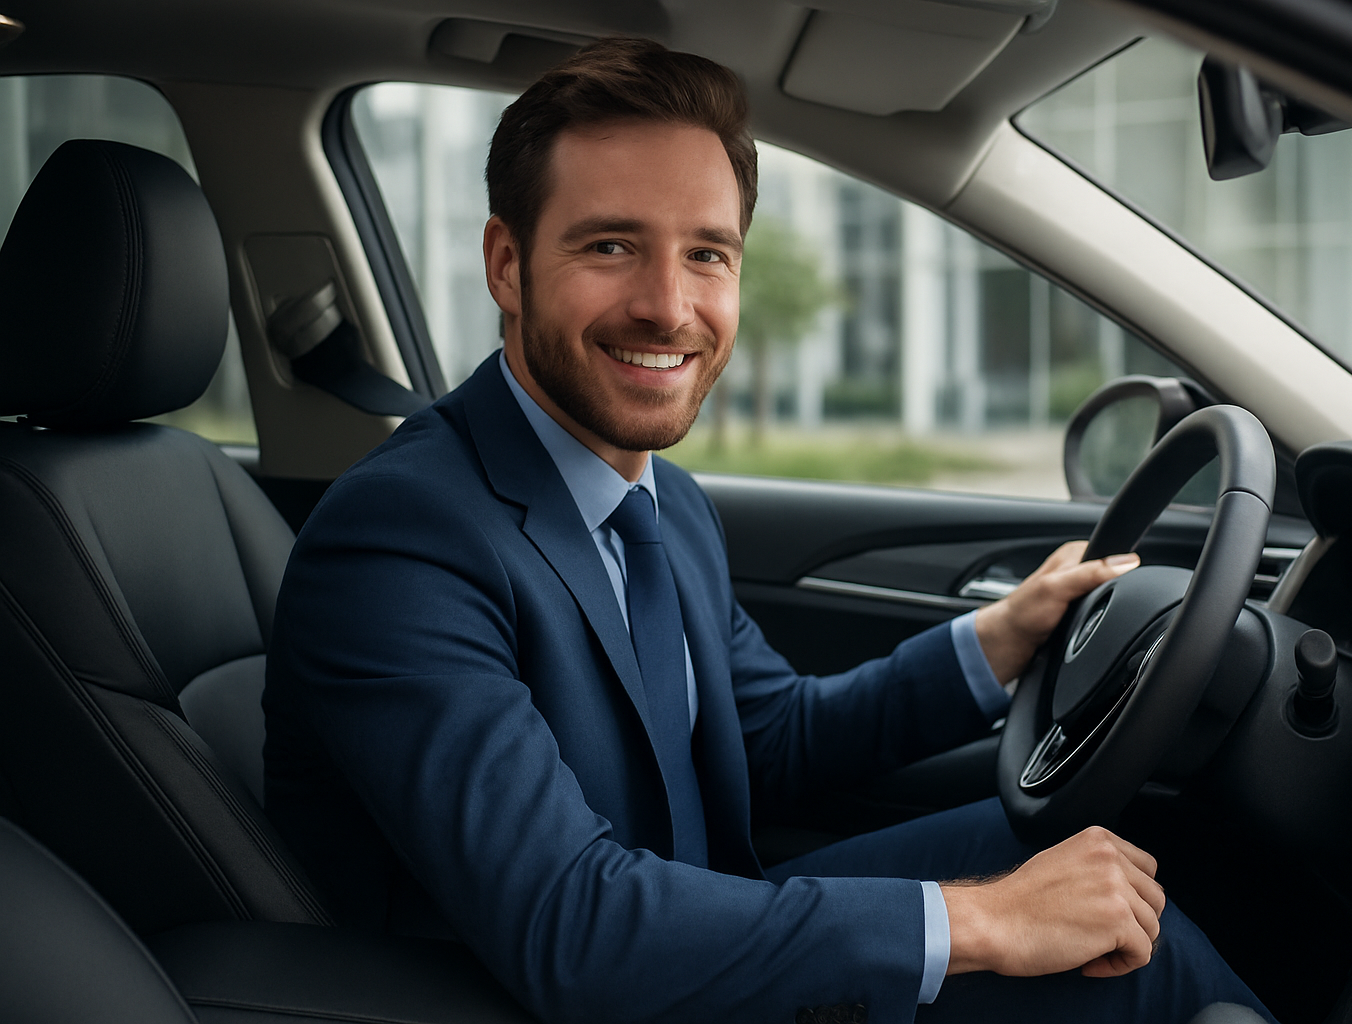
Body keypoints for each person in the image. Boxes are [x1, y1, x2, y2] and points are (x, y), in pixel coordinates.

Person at [263, 37, 1275, 1024]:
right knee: (1128, 963)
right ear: (507, 263)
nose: (669, 306)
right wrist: (985, 921)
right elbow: (570, 925)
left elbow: (767, 737)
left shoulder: (663, 505)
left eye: (707, 254)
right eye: (611, 245)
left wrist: (998, 638)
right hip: (537, 991)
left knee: (1111, 866)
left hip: (686, 936)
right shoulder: (401, 537)